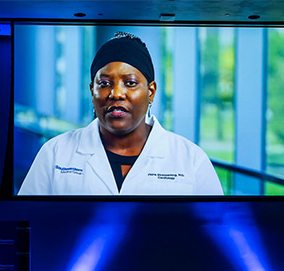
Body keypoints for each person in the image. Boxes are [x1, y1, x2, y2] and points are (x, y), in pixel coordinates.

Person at [18, 31, 224, 196]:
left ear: (150, 92)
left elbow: (215, 233)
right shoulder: (55, 153)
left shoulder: (190, 159)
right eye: (105, 83)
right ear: (92, 91)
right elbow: (26, 225)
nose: (116, 94)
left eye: (130, 83)